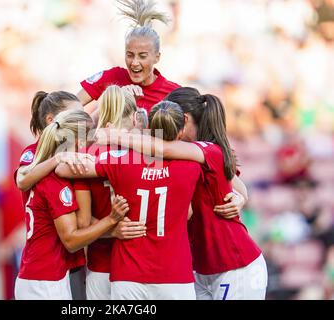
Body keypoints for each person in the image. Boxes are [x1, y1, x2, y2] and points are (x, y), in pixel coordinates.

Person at [96, 87, 268, 299]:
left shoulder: (206, 149)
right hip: (199, 269)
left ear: (184, 119)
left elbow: (239, 186)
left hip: (234, 264)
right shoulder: (180, 155)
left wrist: (115, 135)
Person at [56, 101, 203, 300]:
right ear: (182, 129)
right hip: (175, 274)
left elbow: (62, 169)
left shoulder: (123, 160)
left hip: (128, 272)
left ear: (150, 128)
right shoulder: (193, 165)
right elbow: (189, 213)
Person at [15, 109, 130, 300]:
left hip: (38, 274)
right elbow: (71, 241)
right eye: (90, 139)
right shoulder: (55, 182)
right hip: (46, 280)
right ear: (79, 142)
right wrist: (111, 221)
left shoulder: (42, 169)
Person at [74, 85, 147, 300]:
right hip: (140, 262)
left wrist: (110, 230)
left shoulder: (84, 157)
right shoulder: (148, 152)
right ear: (135, 118)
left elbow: (83, 221)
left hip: (101, 262)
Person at [77, 0, 180, 115]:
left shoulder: (173, 93)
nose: (134, 62)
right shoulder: (113, 77)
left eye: (142, 56)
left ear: (157, 57)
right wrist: (115, 101)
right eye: (130, 55)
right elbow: (72, 105)